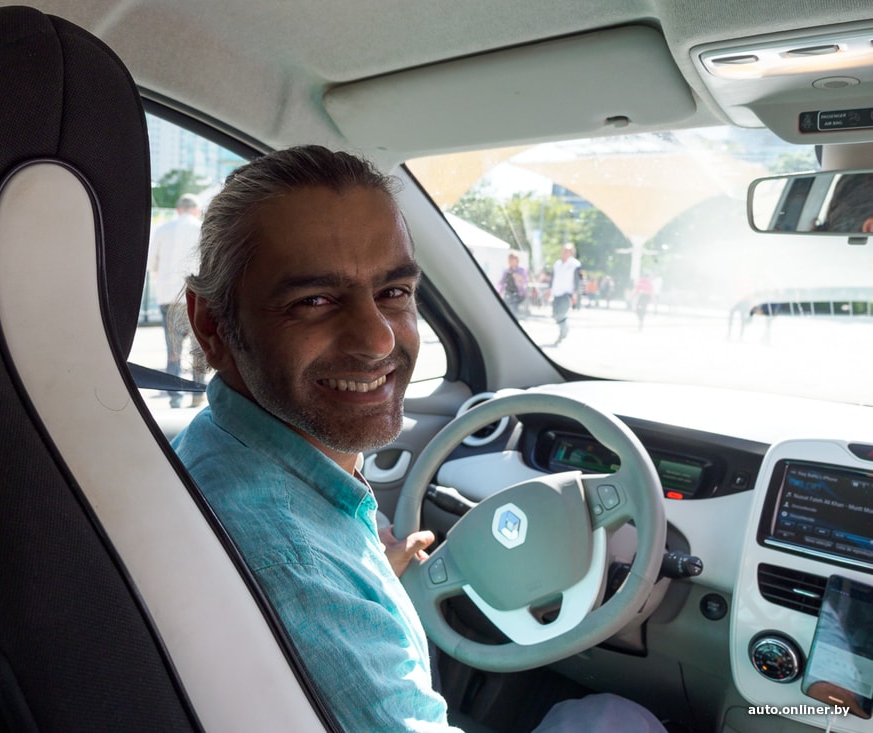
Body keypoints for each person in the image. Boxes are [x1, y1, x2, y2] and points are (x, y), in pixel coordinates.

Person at [171, 145, 666, 732]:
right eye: (315, 301)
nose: (379, 341)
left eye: (395, 293)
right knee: (617, 717)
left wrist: (370, 576)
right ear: (211, 324)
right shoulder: (295, 567)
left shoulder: (216, 447)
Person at [149, 193, 205, 407]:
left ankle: (174, 396)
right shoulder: (202, 229)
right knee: (199, 348)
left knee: (173, 349)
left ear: (178, 209)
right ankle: (197, 393)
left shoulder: (163, 229)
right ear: (196, 210)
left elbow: (152, 264)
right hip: (196, 295)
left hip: (168, 296)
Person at [549, 244, 581, 345]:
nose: (565, 252)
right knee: (555, 314)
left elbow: (577, 280)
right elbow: (553, 278)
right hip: (556, 293)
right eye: (564, 250)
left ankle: (563, 332)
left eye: (567, 251)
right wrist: (549, 289)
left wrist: (575, 294)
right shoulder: (557, 264)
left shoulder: (575, 264)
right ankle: (565, 328)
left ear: (572, 252)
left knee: (561, 313)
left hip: (567, 293)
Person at [497, 252, 528, 317]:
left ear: (517, 260)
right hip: (508, 293)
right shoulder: (506, 271)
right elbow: (501, 282)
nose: (512, 261)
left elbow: (525, 281)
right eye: (511, 259)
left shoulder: (521, 270)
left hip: (517, 293)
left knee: (513, 310)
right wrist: (499, 291)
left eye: (514, 259)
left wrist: (517, 276)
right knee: (506, 309)